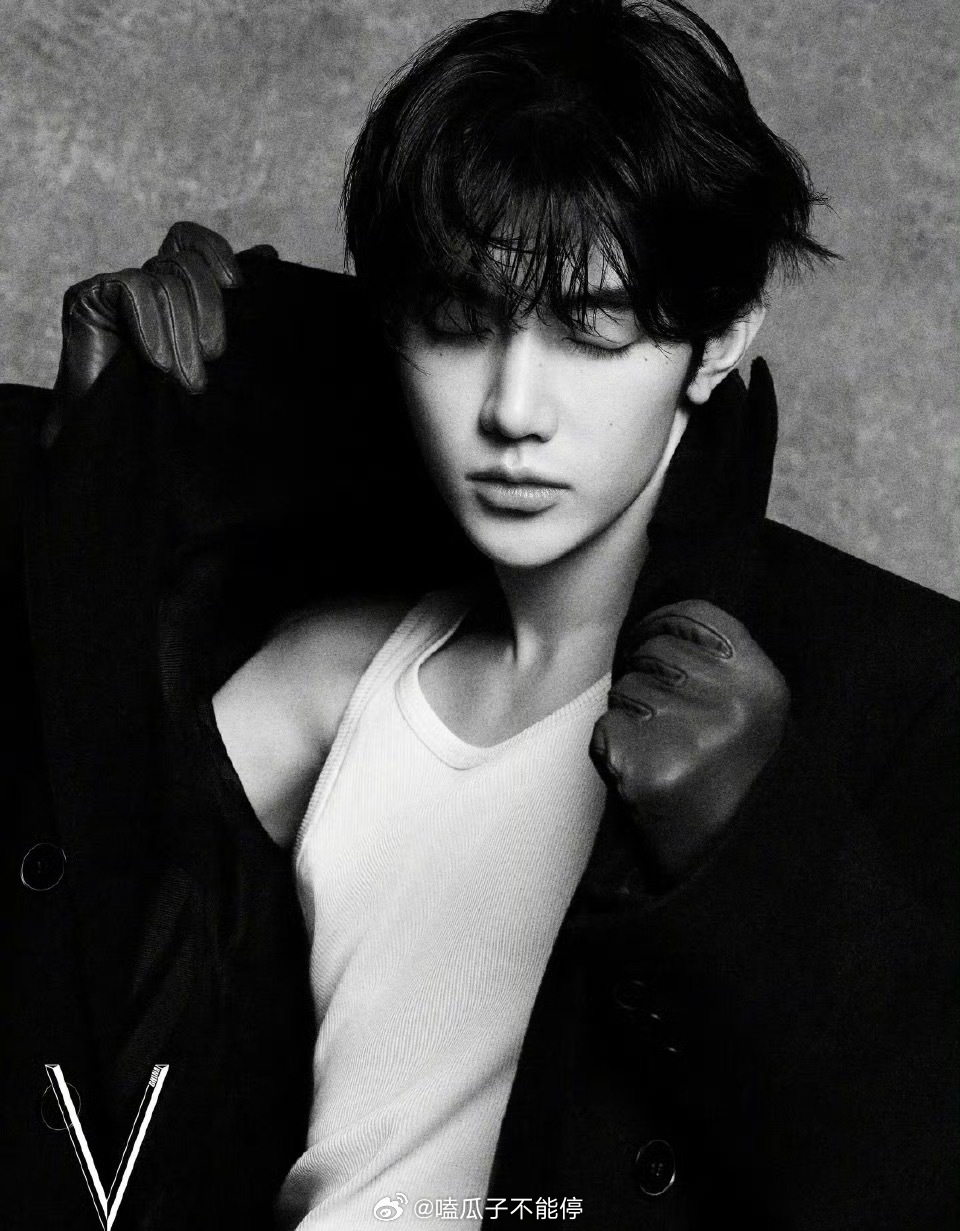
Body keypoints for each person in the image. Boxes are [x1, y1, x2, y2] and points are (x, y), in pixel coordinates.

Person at [4, 0, 957, 1228]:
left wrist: (760, 855)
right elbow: (79, 948)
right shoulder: (339, 673)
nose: (514, 408)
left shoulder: (883, 688)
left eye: (591, 328)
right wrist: (95, 487)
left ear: (721, 336)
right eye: (459, 324)